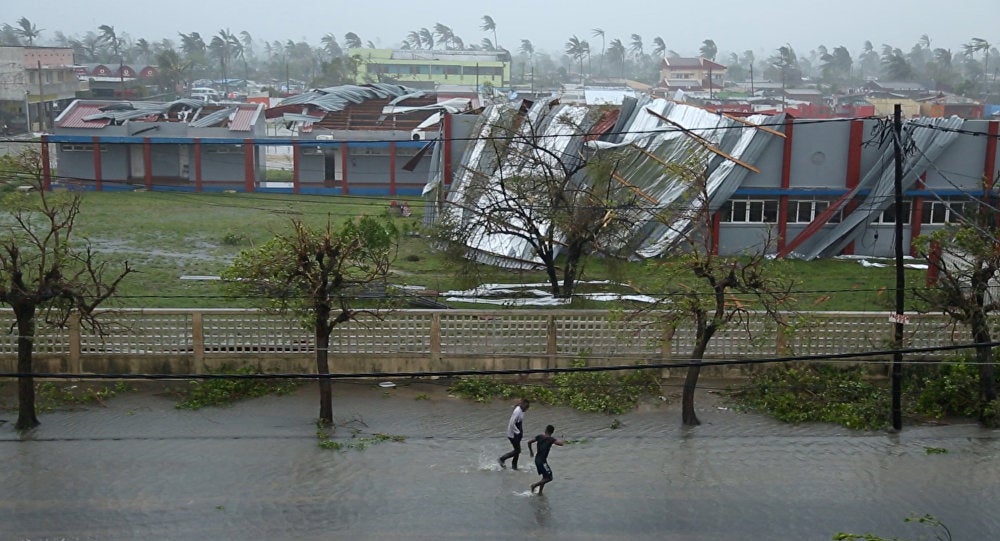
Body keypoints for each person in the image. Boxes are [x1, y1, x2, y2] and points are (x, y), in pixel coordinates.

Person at [528, 424, 565, 494]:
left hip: (537, 459)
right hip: (542, 461)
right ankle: (534, 485)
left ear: (545, 430)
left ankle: (540, 492)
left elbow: (529, 442)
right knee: (549, 477)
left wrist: (531, 452)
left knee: (545, 477)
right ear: (552, 432)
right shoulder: (551, 439)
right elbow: (561, 444)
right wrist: (563, 439)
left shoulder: (539, 436)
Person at [498, 398, 529, 470]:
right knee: (517, 450)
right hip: (513, 434)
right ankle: (502, 459)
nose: (526, 409)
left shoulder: (522, 410)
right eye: (526, 407)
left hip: (517, 432)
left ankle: (514, 466)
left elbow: (519, 422)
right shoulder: (517, 411)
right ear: (523, 405)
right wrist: (518, 432)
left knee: (517, 450)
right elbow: (512, 423)